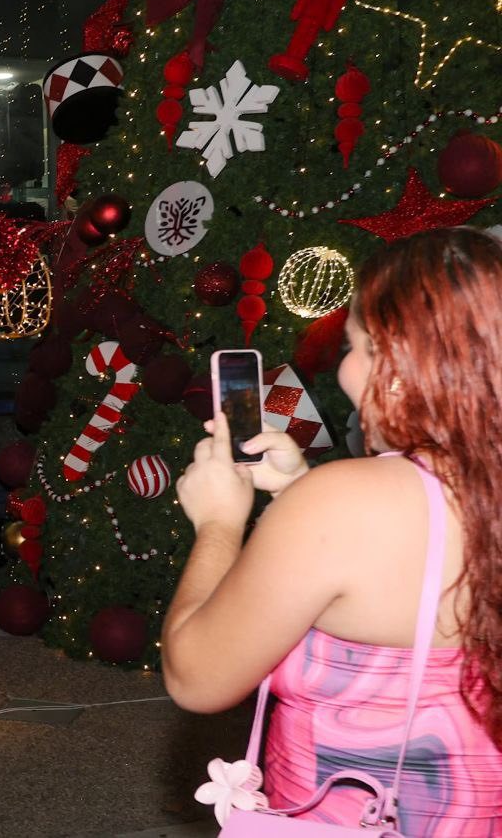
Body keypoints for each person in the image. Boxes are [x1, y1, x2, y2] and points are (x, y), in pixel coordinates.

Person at [164, 227, 502, 836]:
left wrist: (219, 524)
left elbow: (195, 677)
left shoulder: (341, 504)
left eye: (354, 345)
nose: (345, 367)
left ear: (396, 365)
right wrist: (297, 492)